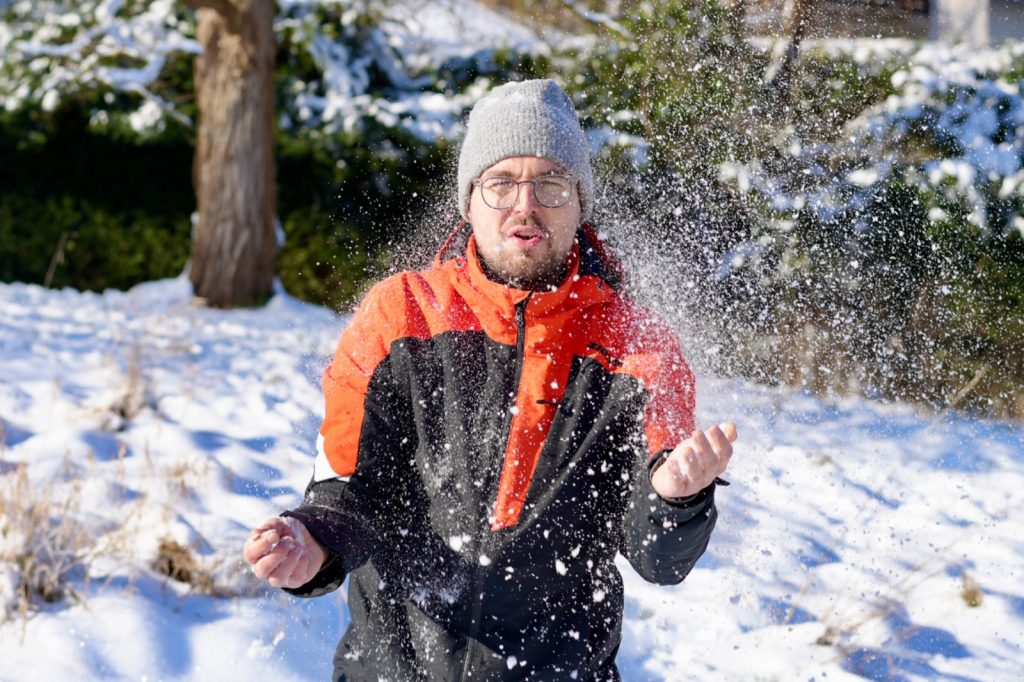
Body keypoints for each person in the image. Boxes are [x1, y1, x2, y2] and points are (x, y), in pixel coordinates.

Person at [243, 78, 737, 681]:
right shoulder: (399, 316)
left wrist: (676, 499)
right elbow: (349, 492)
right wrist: (311, 542)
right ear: (469, 202)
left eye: (551, 183)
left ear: (580, 203)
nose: (524, 205)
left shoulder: (640, 349)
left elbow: (659, 558)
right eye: (500, 183)